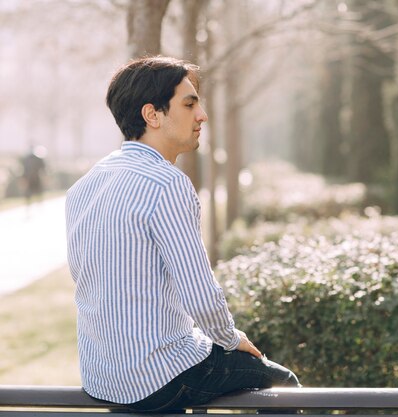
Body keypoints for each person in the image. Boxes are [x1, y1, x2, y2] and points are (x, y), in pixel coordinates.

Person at [65, 56, 299, 411]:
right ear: (152, 115)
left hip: (102, 377)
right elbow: (200, 293)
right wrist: (231, 339)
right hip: (159, 376)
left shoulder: (85, 185)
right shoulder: (167, 184)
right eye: (189, 104)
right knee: (285, 385)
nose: (202, 115)